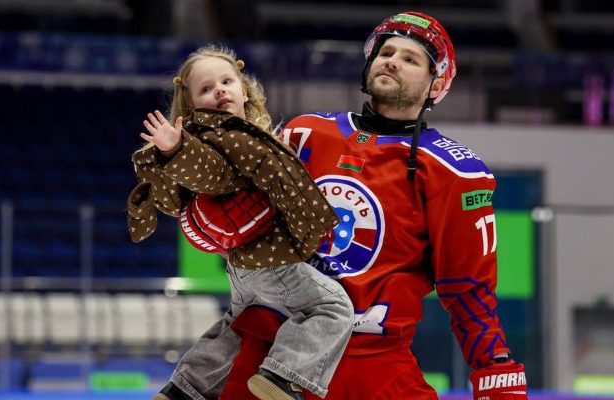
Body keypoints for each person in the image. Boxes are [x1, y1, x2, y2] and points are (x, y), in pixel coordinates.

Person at [165, 11, 528, 400]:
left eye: (410, 59)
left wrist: (495, 370)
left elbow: (468, 289)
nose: (392, 61)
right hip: (274, 354)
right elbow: (237, 213)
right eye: (385, 53)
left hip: (374, 361)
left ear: (436, 83)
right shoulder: (304, 133)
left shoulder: (453, 170)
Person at [125, 44, 354, 400]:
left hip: (242, 266)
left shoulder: (243, 134)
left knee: (238, 325)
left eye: (226, 81)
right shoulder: (218, 139)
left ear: (244, 89)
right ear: (191, 106)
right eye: (206, 88)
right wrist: (176, 151)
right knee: (333, 306)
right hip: (267, 260)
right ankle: (283, 376)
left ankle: (184, 389)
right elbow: (209, 172)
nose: (219, 90)